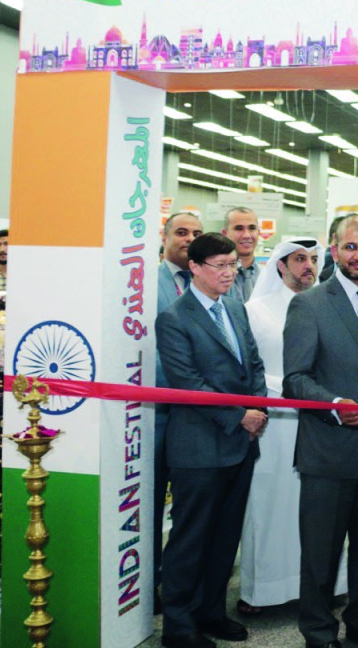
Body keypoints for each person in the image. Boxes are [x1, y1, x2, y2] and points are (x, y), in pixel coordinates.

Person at [283, 214, 358, 648]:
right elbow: (295, 379)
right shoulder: (310, 304)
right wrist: (334, 405)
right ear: (334, 250)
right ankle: (318, 632)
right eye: (350, 247)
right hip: (328, 452)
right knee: (322, 553)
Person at [156, 232, 268, 648]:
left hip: (240, 443)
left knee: (225, 537)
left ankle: (212, 612)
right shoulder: (174, 318)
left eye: (232, 265)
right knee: (191, 539)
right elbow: (188, 383)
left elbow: (253, 363)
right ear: (195, 268)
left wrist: (257, 408)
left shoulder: (235, 307)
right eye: (219, 266)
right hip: (199, 447)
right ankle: (179, 626)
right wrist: (239, 416)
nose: (228, 273)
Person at [239, 238, 323, 614]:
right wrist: (287, 391)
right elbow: (249, 369)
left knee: (317, 507)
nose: (309, 266)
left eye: (314, 259)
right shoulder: (255, 310)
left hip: (318, 422)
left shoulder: (325, 306)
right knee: (270, 505)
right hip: (273, 424)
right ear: (280, 265)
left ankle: (322, 586)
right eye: (300, 259)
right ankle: (264, 592)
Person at [153, 211, 204, 610]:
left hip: (200, 418)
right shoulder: (147, 284)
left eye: (197, 233)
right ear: (165, 236)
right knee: (152, 503)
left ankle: (183, 587)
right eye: (182, 232)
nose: (189, 239)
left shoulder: (208, 284)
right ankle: (148, 581)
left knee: (189, 510)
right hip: (156, 413)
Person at [223, 207, 261, 302]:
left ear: (258, 232)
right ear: (225, 233)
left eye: (252, 228)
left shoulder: (268, 275)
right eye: (239, 229)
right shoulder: (214, 277)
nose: (246, 235)